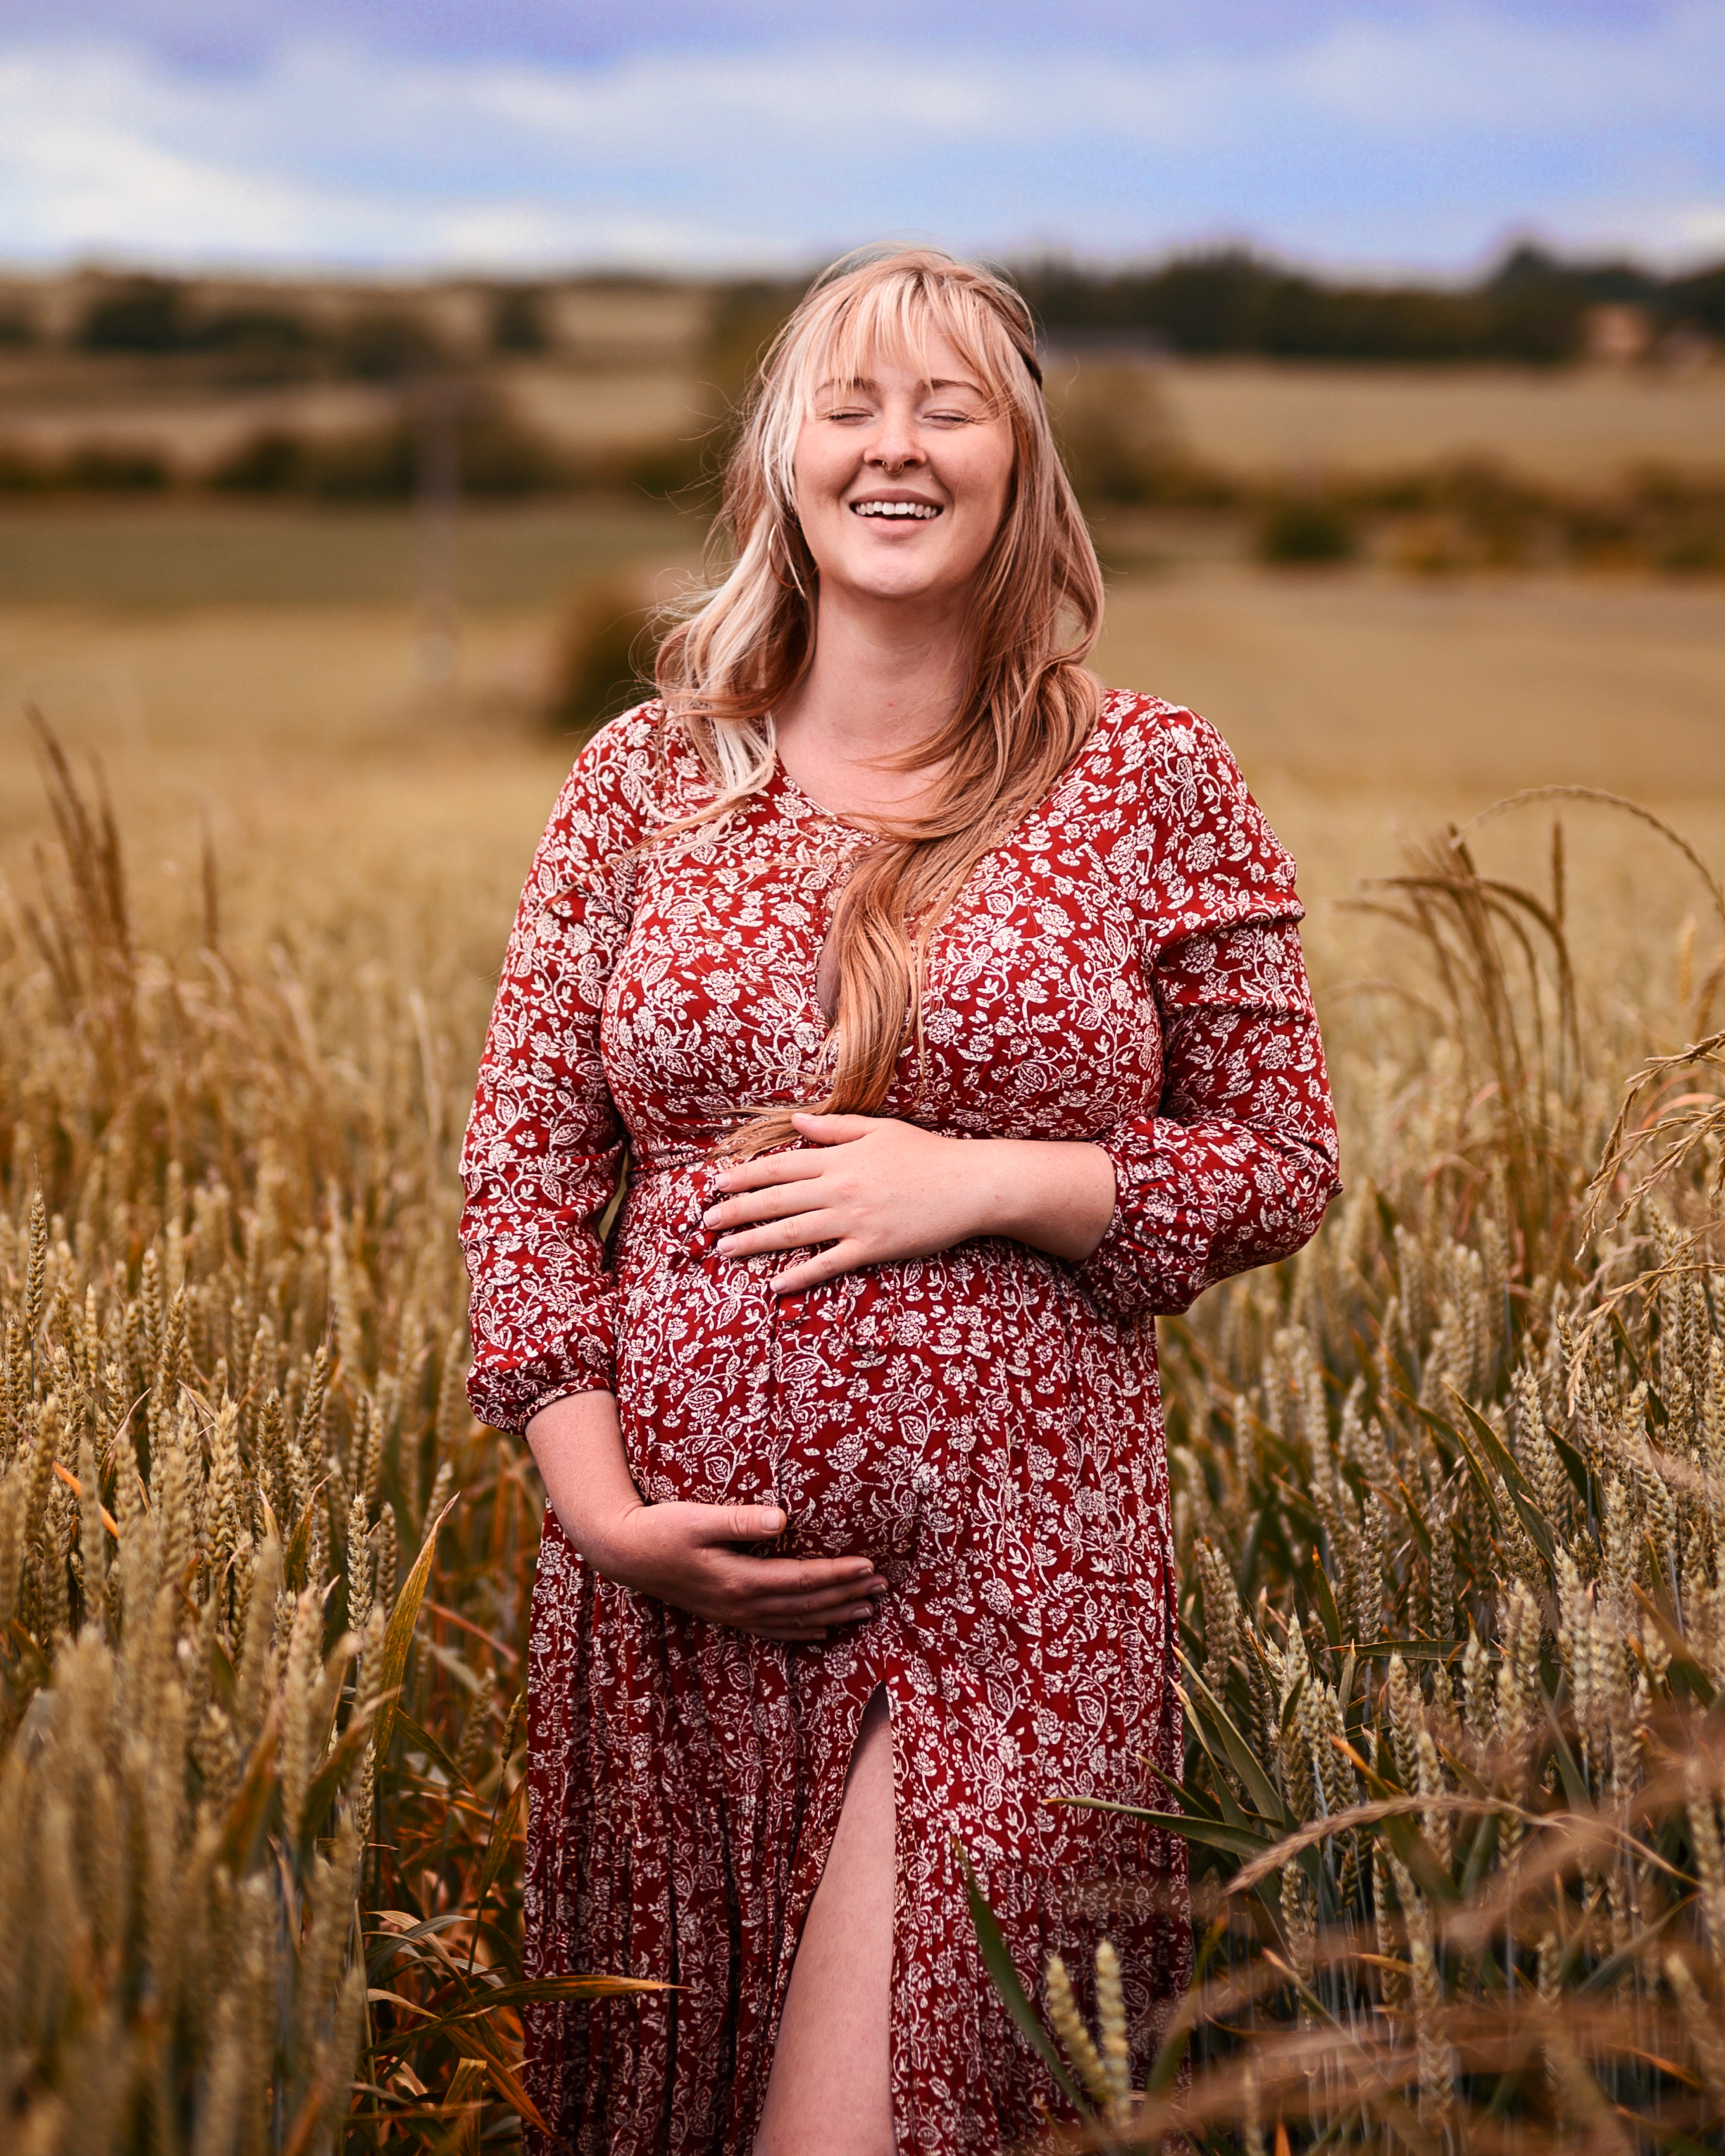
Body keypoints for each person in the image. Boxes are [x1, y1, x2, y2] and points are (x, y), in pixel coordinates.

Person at [459, 246, 1339, 2156]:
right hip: (672, 1605)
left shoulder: (1146, 776)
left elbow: (1281, 1155)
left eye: (948, 406)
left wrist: (991, 1178)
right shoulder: (643, 783)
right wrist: (598, 1501)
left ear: (1021, 464)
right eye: (848, 402)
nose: (896, 445)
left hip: (1015, 1592)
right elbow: (527, 1159)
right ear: (778, 454)